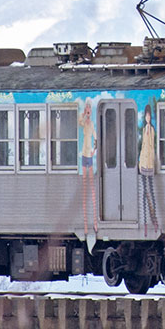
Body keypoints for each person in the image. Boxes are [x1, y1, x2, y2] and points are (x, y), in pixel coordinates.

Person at [78, 99, 98, 242]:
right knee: (85, 191)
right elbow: (79, 121)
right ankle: (86, 225)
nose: (88, 111)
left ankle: (95, 222)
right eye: (86, 109)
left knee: (92, 191)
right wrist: (83, 114)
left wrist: (94, 151)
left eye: (89, 109)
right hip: (83, 157)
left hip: (89, 156)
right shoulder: (84, 123)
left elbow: (96, 139)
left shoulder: (91, 125)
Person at [138, 105, 160, 230]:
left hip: (150, 163)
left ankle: (154, 219)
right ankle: (145, 221)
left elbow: (152, 147)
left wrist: (152, 163)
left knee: (151, 192)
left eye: (149, 115)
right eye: (146, 115)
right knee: (144, 193)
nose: (148, 117)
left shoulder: (151, 130)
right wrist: (140, 162)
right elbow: (143, 147)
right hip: (143, 163)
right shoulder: (144, 129)